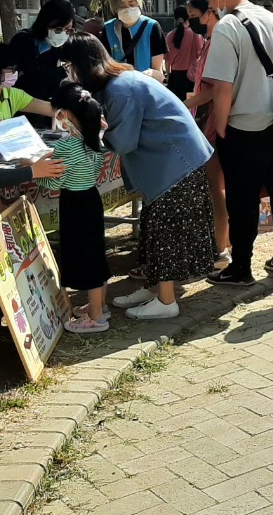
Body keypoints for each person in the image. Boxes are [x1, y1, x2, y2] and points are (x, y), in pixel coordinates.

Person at [72, 43, 215, 319]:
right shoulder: (120, 83)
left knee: (165, 233)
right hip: (173, 161)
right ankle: (153, 288)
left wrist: (97, 136)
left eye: (69, 68)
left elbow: (124, 141)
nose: (68, 75)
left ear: (82, 67)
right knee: (154, 229)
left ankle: (166, 302)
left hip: (175, 163)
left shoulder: (119, 90)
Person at [200, 0, 273, 287]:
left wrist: (222, 127)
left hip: (244, 127)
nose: (210, 4)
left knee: (242, 200)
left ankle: (241, 266)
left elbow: (223, 88)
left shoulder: (228, 27)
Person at [40, 83, 113, 333]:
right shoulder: (95, 142)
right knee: (95, 252)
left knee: (85, 256)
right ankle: (100, 306)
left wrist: (38, 168)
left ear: (68, 116)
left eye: (60, 114)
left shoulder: (66, 146)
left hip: (74, 202)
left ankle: (95, 317)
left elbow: (54, 181)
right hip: (91, 198)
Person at [182, 0, 231, 266]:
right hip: (206, 119)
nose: (192, 21)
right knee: (217, 188)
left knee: (216, 189)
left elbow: (214, 89)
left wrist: (186, 103)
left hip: (211, 122)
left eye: (195, 15)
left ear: (210, 12)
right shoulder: (210, 42)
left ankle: (220, 250)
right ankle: (223, 245)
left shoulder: (217, 43)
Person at [8, 0, 75, 124]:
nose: (63, 34)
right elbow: (32, 80)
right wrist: (63, 71)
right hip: (24, 106)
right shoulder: (24, 40)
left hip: (48, 104)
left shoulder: (59, 45)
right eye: (58, 29)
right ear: (46, 23)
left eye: (68, 30)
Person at [0, 41, 55, 129]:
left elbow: (53, 110)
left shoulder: (13, 94)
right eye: (10, 69)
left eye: (16, 69)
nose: (15, 73)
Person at [99, 0, 167, 81]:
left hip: (145, 85)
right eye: (122, 6)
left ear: (138, 3)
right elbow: (106, 64)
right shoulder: (108, 28)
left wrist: (151, 74)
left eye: (132, 4)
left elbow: (157, 70)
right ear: (115, 9)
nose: (128, 8)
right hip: (119, 85)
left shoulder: (152, 26)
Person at [164, 5, 205, 101]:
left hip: (175, 77)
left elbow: (167, 61)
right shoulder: (196, 35)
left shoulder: (170, 36)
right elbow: (201, 55)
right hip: (191, 77)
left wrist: (169, 77)